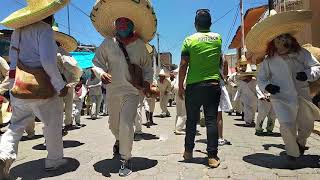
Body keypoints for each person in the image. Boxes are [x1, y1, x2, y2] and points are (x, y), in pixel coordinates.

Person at [0, 0, 70, 177]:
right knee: (52, 122)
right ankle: (54, 160)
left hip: (20, 86)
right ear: (48, 14)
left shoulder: (18, 31)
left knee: (15, 125)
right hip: (42, 88)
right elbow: (47, 62)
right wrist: (60, 85)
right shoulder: (44, 30)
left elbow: (13, 62)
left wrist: (12, 85)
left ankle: (3, 155)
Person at [91, 0, 156, 176]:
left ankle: (125, 159)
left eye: (125, 23)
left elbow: (148, 68)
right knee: (113, 125)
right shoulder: (107, 43)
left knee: (127, 123)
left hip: (132, 91)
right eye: (119, 22)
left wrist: (148, 83)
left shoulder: (140, 45)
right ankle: (120, 141)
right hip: (112, 91)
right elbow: (96, 63)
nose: (121, 25)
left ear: (132, 25)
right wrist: (100, 73)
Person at [247, 9, 320, 161]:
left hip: (302, 96)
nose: (282, 41)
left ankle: (300, 143)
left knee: (307, 126)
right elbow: (261, 78)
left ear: (290, 39)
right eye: (278, 38)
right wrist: (268, 86)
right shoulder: (269, 61)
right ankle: (292, 153)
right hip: (280, 98)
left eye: (284, 37)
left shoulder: (302, 53)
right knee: (287, 126)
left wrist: (307, 74)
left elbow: (316, 67)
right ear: (273, 42)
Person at [179, 9, 222, 168]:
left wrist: (180, 86)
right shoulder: (218, 38)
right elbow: (220, 60)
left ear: (195, 24)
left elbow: (184, 64)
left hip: (194, 86)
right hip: (212, 85)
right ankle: (212, 157)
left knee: (191, 121)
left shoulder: (189, 40)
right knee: (211, 120)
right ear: (210, 24)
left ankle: (188, 152)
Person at [173, 68, 187, 135]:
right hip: (182, 87)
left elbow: (175, 72)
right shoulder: (190, 67)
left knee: (179, 110)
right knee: (184, 111)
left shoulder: (181, 67)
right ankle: (178, 129)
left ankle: (176, 127)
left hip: (176, 86)